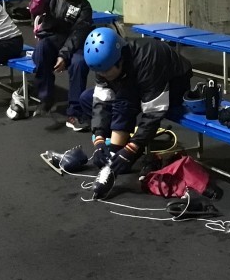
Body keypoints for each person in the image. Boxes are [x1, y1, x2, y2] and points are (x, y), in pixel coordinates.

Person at [79, 28, 193, 198]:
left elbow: (154, 112)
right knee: (87, 98)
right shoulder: (105, 63)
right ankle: (114, 151)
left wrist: (131, 149)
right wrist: (99, 139)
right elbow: (101, 102)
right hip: (135, 83)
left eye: (106, 72)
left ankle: (115, 156)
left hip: (174, 84)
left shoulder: (148, 59)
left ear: (119, 60)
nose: (103, 76)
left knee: (124, 101)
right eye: (100, 73)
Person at [29, 0, 92, 130]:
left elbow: (78, 34)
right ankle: (46, 99)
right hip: (52, 41)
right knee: (41, 49)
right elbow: (34, 10)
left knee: (79, 63)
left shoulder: (84, 6)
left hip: (74, 45)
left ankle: (74, 113)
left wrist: (64, 55)